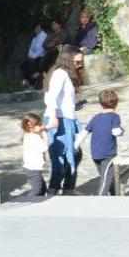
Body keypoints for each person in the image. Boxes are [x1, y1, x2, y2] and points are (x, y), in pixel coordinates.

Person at [43, 46, 82, 195]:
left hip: (67, 117)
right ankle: (55, 189)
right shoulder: (60, 74)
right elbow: (51, 96)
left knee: (74, 154)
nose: (80, 65)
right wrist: (53, 117)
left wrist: (74, 105)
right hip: (59, 119)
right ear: (69, 59)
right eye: (77, 62)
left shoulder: (64, 74)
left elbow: (61, 98)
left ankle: (67, 187)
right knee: (61, 156)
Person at [87, 90, 124, 196]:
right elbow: (116, 132)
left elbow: (85, 132)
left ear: (100, 103)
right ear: (116, 103)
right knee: (105, 180)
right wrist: (121, 131)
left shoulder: (96, 117)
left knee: (108, 176)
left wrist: (75, 145)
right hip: (108, 154)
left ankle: (114, 195)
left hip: (95, 153)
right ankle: (100, 199)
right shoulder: (114, 116)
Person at [20, 113, 48, 198]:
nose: (40, 126)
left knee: (42, 188)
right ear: (30, 126)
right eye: (39, 124)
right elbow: (45, 147)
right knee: (37, 190)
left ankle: (38, 203)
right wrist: (43, 133)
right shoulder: (34, 137)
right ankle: (27, 203)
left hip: (30, 168)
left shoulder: (27, 135)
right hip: (33, 169)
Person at [23, 21, 50, 88]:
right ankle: (28, 81)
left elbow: (41, 50)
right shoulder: (34, 39)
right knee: (25, 64)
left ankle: (32, 82)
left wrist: (33, 56)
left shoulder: (44, 36)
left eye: (36, 28)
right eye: (34, 29)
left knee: (32, 63)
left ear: (39, 27)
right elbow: (30, 49)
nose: (35, 30)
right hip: (33, 57)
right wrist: (30, 56)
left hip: (41, 57)